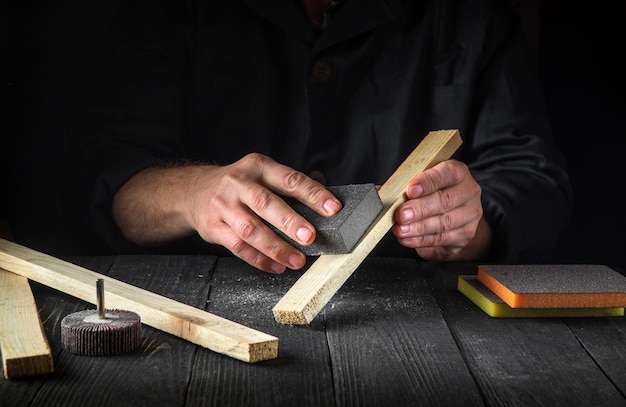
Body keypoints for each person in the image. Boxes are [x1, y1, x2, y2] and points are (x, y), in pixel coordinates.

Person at [65, 0, 572, 273]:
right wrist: (196, 194)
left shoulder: (471, 15)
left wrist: (474, 225)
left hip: (435, 318)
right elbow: (106, 177)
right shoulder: (174, 11)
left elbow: (534, 179)